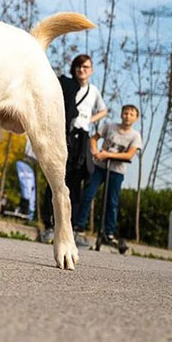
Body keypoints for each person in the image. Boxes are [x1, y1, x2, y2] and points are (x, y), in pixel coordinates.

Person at [72, 104, 141, 245]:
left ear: (136, 118)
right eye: (125, 113)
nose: (128, 116)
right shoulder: (109, 126)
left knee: (112, 202)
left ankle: (108, 233)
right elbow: (94, 139)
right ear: (121, 114)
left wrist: (107, 154)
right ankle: (79, 227)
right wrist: (95, 151)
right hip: (100, 167)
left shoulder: (135, 136)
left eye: (131, 114)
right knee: (88, 194)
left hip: (117, 170)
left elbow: (129, 155)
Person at [60, 54, 108, 245]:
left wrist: (90, 120)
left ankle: (73, 228)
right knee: (57, 177)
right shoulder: (66, 85)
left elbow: (103, 110)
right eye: (79, 66)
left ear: (92, 70)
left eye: (86, 67)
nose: (82, 70)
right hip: (64, 132)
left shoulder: (93, 91)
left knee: (77, 181)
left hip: (82, 137)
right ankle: (50, 224)